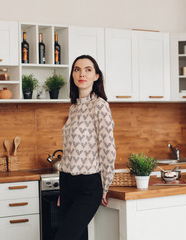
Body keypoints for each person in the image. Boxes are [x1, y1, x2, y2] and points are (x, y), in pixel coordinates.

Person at [54, 55, 116, 240]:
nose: (82, 73)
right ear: (73, 75)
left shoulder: (100, 106)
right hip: (67, 183)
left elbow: (108, 148)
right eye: (77, 69)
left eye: (88, 69)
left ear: (96, 76)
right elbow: (69, 150)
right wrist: (63, 191)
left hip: (88, 186)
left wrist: (105, 187)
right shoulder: (73, 108)